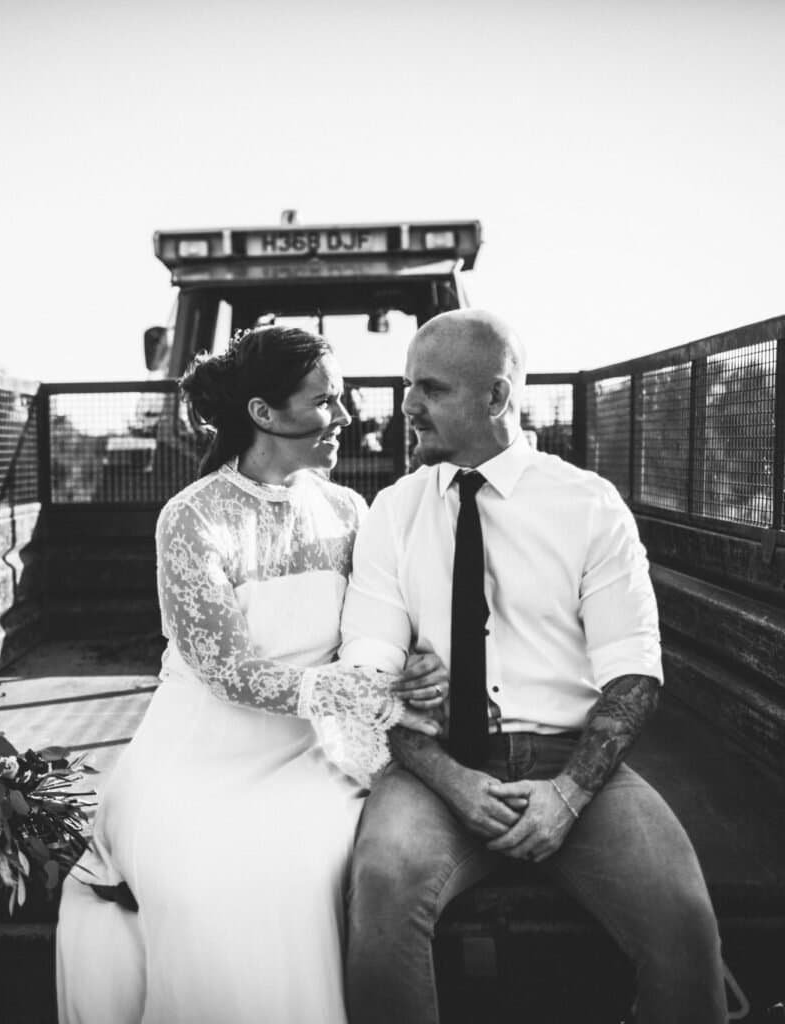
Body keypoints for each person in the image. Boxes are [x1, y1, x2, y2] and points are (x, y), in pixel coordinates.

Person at [340, 310, 727, 1024]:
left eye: (430, 388)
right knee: (383, 880)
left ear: (495, 398)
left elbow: (634, 671)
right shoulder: (392, 512)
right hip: (435, 766)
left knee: (683, 920)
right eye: (406, 385)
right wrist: (452, 778)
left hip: (573, 763)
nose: (407, 406)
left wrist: (570, 795)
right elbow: (368, 676)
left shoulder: (587, 505)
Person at [56, 325, 445, 1024]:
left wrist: (409, 667)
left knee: (302, 868)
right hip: (209, 744)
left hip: (318, 752)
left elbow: (378, 625)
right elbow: (224, 668)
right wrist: (341, 691)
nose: (346, 419)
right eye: (327, 402)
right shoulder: (192, 517)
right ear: (264, 414)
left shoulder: (350, 511)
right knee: (214, 879)